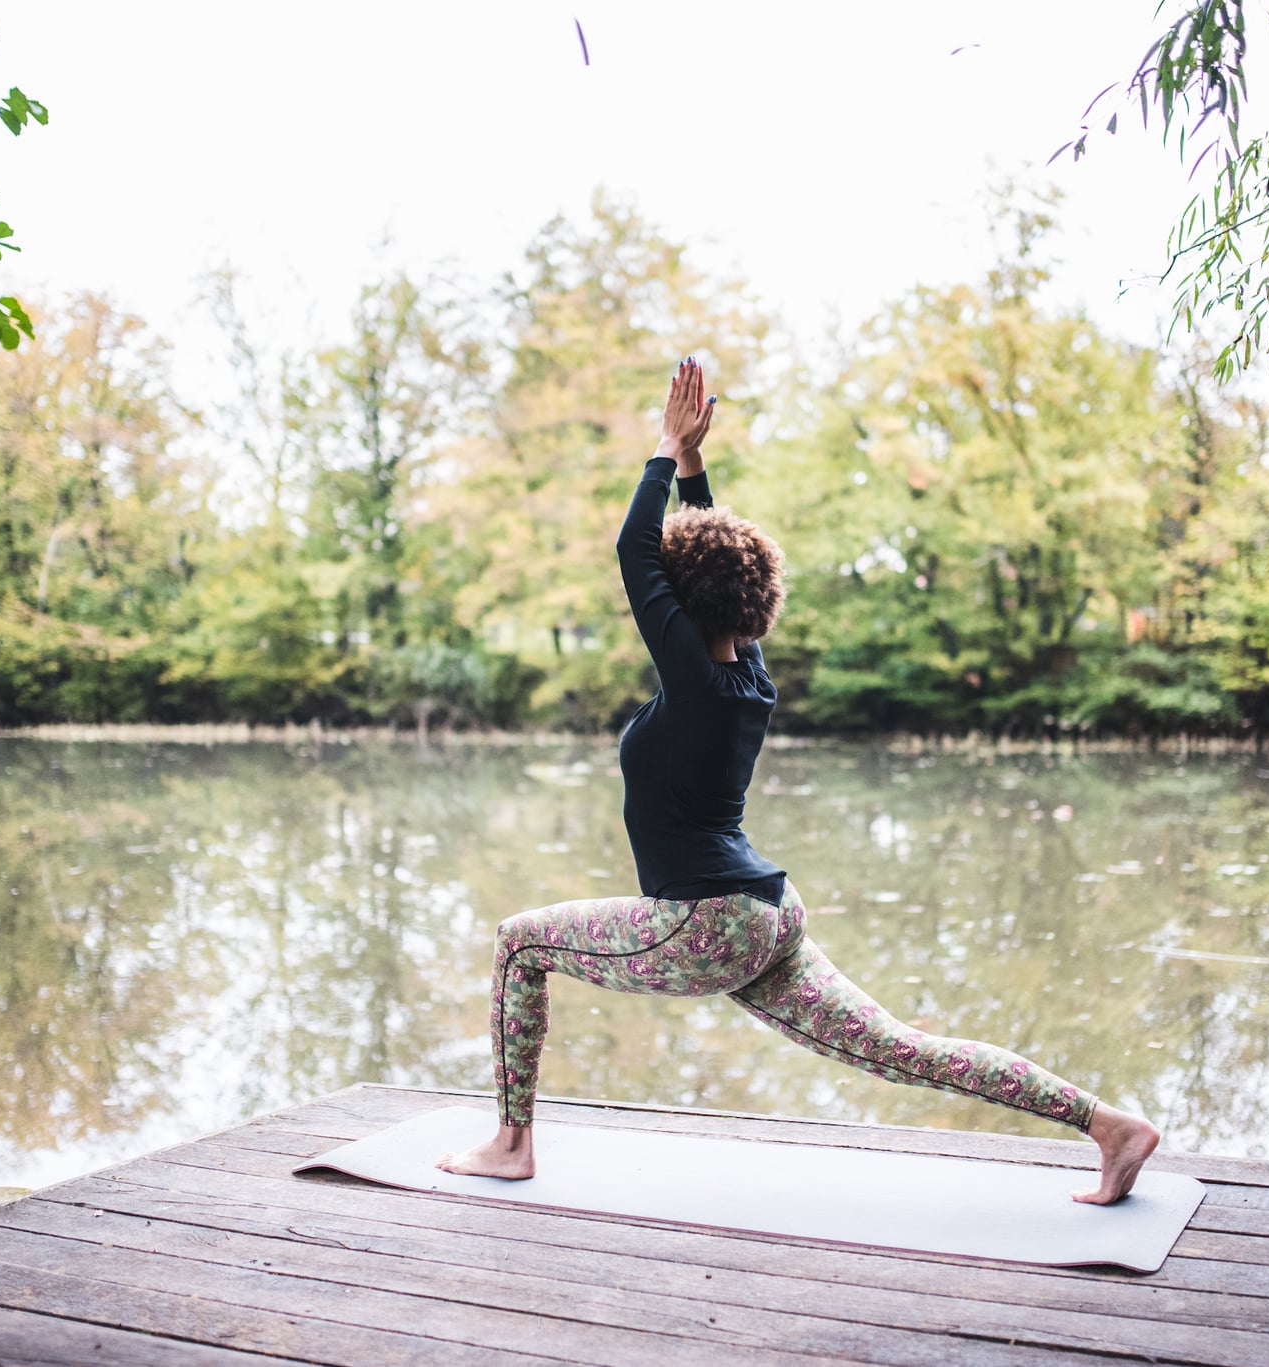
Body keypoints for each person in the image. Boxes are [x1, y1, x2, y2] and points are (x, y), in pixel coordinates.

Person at [437, 358, 1161, 1203]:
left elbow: (634, 550)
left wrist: (665, 452)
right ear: (748, 608)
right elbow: (718, 570)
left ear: (680, 604)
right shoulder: (748, 677)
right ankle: (1110, 1124)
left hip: (703, 923)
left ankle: (511, 1140)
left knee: (519, 941)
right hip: (766, 916)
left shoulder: (702, 686)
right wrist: (698, 476)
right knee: (900, 1045)